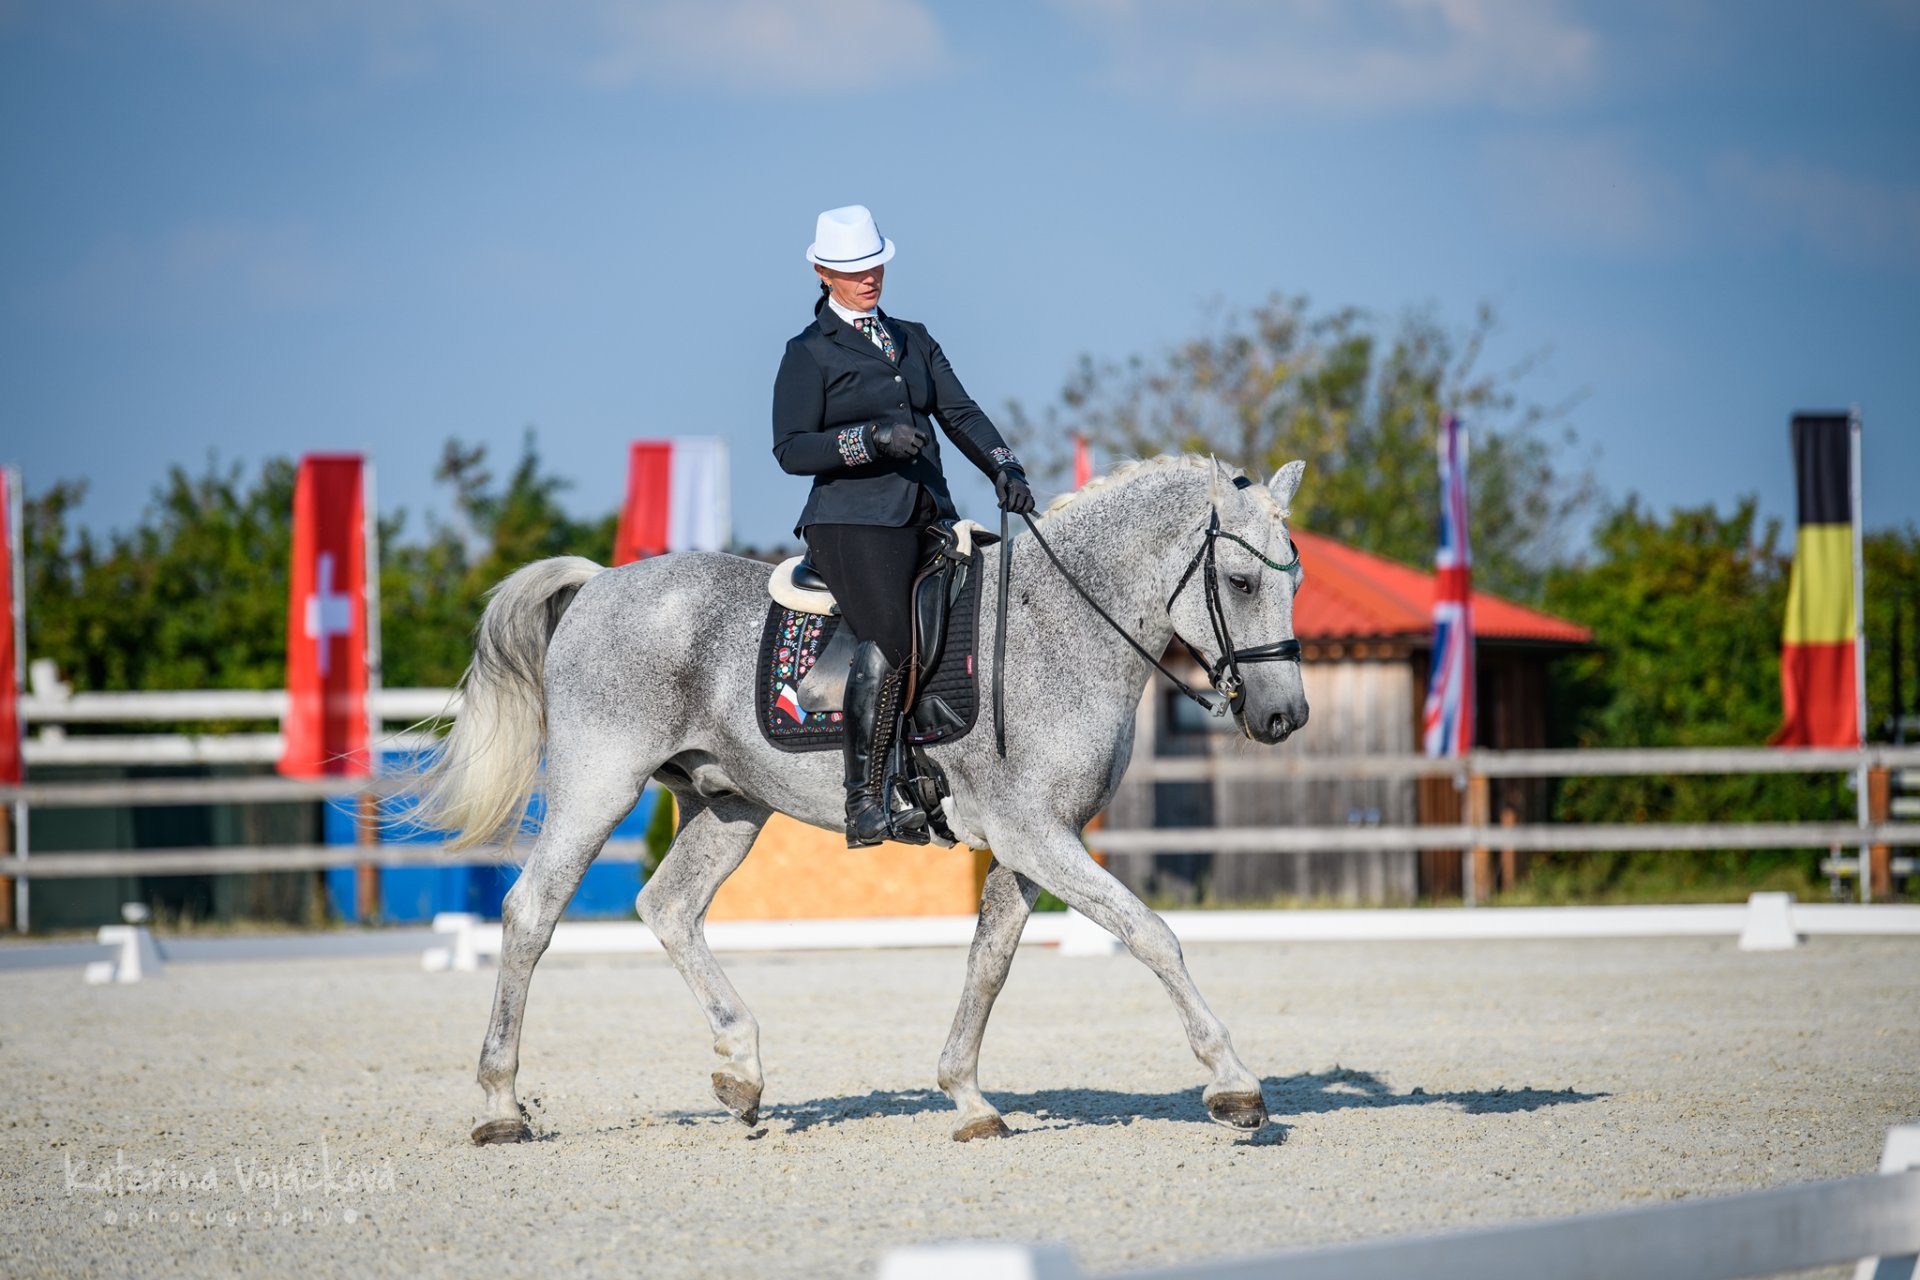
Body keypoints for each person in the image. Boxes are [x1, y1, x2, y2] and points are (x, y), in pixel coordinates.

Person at [772, 204, 1034, 848]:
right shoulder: (808, 353)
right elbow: (790, 449)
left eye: (875, 265)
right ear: (823, 271)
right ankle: (863, 800)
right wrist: (867, 439)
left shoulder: (914, 337)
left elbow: (961, 411)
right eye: (855, 269)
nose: (870, 278)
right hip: (850, 523)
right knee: (890, 632)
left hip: (927, 514)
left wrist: (1004, 465)